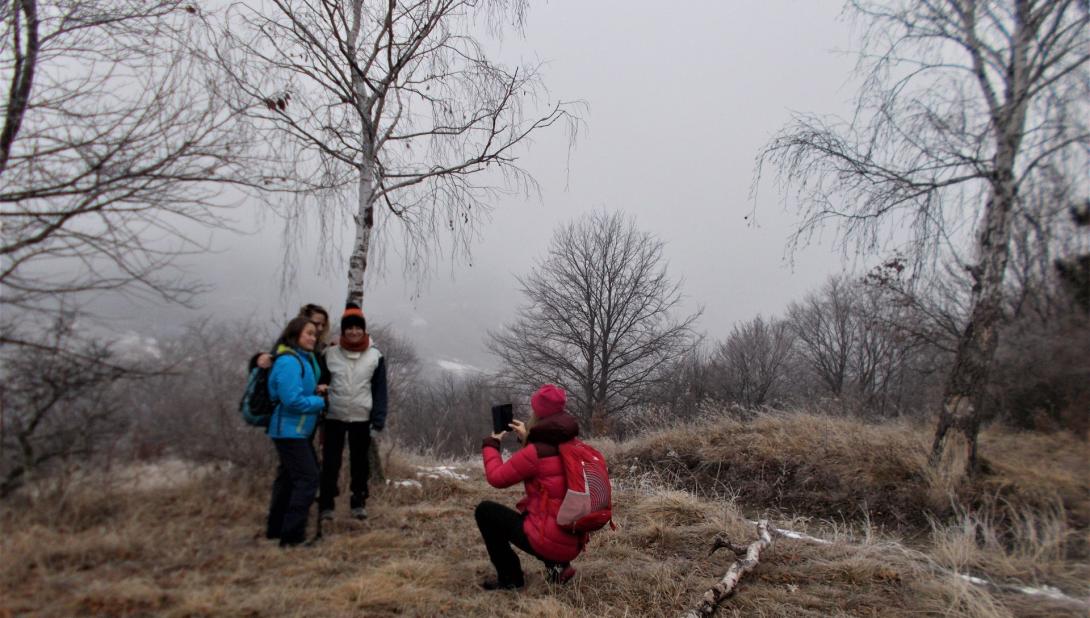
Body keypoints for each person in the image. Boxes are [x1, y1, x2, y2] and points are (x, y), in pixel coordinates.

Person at [476, 384, 582, 590]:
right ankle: (559, 567)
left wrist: (491, 444)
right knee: (533, 511)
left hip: (550, 541)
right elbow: (549, 460)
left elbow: (497, 478)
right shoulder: (570, 440)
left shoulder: (535, 452)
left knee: (485, 512)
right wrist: (527, 438)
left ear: (538, 412)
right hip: (573, 538)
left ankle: (510, 579)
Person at [318, 303, 387, 521]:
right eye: (350, 328)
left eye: (358, 328)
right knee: (331, 462)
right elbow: (321, 383)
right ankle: (326, 503)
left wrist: (378, 420)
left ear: (364, 330)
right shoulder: (329, 354)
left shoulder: (375, 356)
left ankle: (358, 502)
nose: (354, 332)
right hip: (333, 416)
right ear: (344, 330)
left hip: (361, 417)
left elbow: (380, 390)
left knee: (360, 463)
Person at [265, 316, 327, 547]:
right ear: (295, 335)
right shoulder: (289, 362)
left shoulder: (302, 359)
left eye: (314, 334)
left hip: (296, 431)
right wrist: (321, 402)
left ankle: (276, 530)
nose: (313, 337)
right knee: (308, 479)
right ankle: (291, 538)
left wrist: (316, 391)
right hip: (289, 431)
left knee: (290, 480)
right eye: (308, 333)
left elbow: (298, 391)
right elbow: (292, 400)